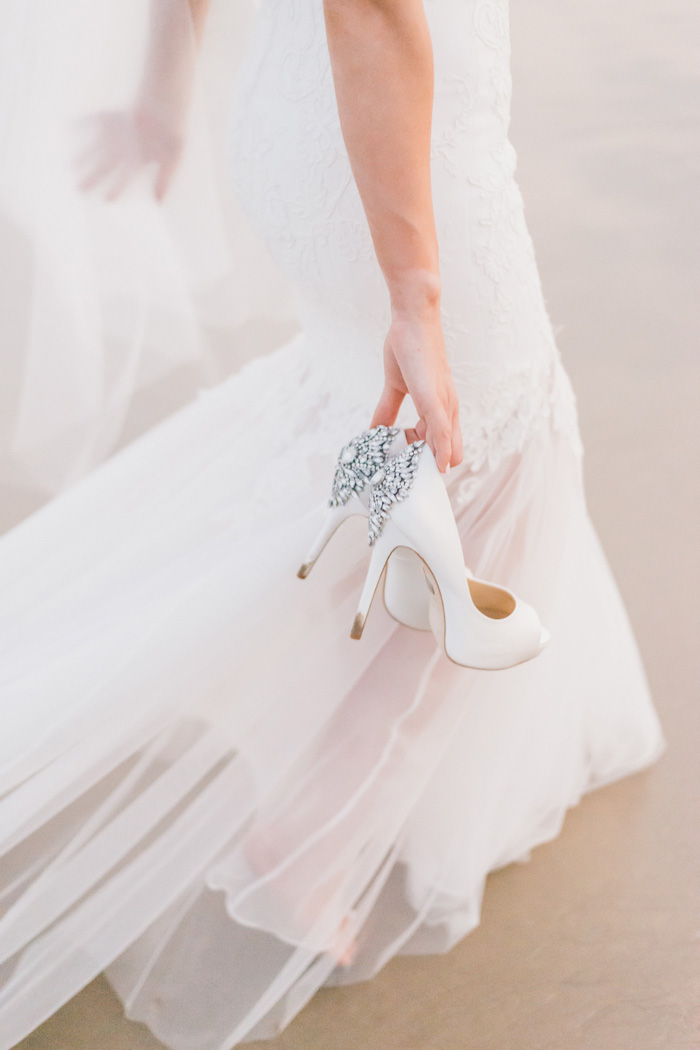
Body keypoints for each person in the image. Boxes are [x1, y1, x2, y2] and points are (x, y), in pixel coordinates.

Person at [0, 1, 665, 1047]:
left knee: (387, 450)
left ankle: (297, 757)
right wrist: (417, 297)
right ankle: (308, 834)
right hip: (394, 128)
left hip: (317, 112)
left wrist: (161, 92)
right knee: (498, 462)